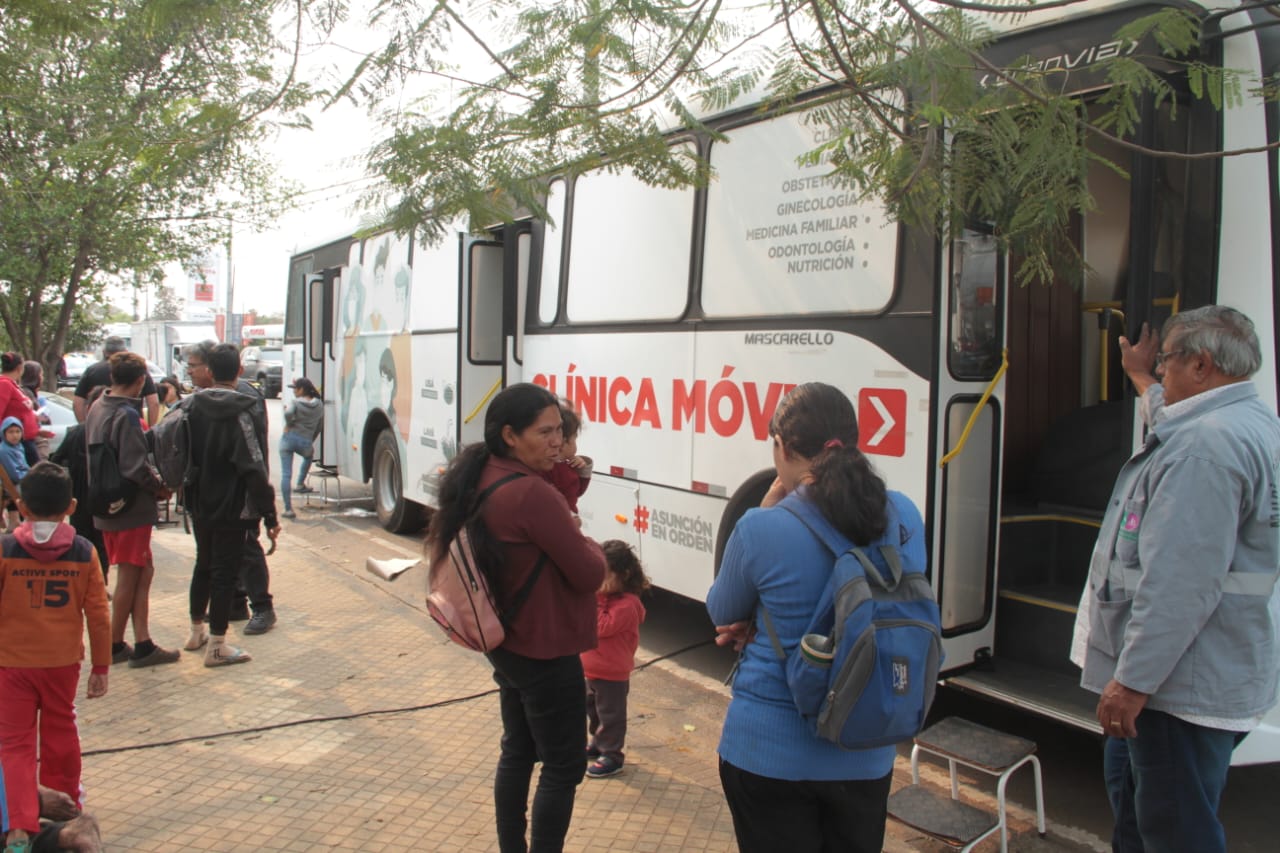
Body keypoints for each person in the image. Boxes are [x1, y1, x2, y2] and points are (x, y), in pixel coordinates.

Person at [1069, 305, 1280, 853]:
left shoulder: (1203, 449)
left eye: (1166, 361)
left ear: (1202, 365)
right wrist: (1139, 374)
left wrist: (1131, 683)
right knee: (1137, 810)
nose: (1161, 372)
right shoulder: (1249, 420)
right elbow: (1165, 408)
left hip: (1176, 686)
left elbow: (1179, 585)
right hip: (1214, 667)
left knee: (1175, 832)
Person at [706, 382, 921, 853]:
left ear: (782, 447)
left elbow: (721, 609)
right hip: (866, 748)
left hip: (768, 753)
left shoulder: (762, 526)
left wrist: (765, 509)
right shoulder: (904, 514)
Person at [426, 383, 605, 853]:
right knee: (564, 767)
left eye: (560, 431)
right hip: (545, 647)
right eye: (544, 432)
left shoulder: (485, 471)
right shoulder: (531, 493)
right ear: (509, 435)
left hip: (507, 643)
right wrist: (585, 539)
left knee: (519, 750)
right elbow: (590, 573)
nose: (557, 442)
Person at [0, 462, 110, 853]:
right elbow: (99, 615)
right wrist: (101, 666)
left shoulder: (5, 549)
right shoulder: (84, 551)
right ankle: (67, 811)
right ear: (72, 507)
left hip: (11, 663)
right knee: (61, 732)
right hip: (62, 664)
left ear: (21, 507)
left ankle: (17, 826)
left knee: (14, 744)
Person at [181, 343, 280, 665]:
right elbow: (253, 466)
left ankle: (196, 631)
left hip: (198, 501)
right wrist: (269, 514)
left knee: (203, 565)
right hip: (233, 505)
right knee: (224, 573)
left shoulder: (189, 406)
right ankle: (218, 646)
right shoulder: (242, 410)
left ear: (209, 371)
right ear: (239, 370)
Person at [83, 353, 179, 669]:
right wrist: (160, 487)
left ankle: (143, 641)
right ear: (140, 381)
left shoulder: (98, 407)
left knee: (142, 571)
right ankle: (112, 645)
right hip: (130, 508)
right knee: (129, 573)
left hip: (104, 503)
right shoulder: (125, 414)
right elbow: (135, 468)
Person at [581, 539, 648, 780]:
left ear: (624, 575)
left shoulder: (628, 605)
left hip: (612, 673)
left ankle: (612, 754)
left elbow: (600, 626)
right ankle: (598, 742)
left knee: (611, 715)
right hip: (590, 669)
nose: (598, 581)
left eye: (604, 575)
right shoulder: (602, 598)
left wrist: (591, 601)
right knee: (593, 710)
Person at [49, 389, 109, 585]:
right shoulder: (105, 433)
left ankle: (86, 583)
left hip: (82, 499)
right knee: (99, 543)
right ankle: (99, 583)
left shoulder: (77, 432)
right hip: (97, 499)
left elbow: (56, 463)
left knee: (85, 541)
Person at [73, 337, 159, 426]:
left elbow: (77, 403)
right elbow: (154, 402)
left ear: (104, 352)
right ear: (125, 351)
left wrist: (84, 426)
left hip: (98, 424)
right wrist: (151, 428)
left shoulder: (91, 371)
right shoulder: (136, 370)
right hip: (132, 424)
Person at [279, 377, 323, 519]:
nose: (294, 392)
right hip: (305, 441)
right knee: (308, 456)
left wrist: (289, 423)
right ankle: (300, 483)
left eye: (295, 389)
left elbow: (288, 414)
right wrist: (310, 439)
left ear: (302, 389)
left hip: (288, 438)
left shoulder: (296, 403)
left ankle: (288, 509)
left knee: (286, 474)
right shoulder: (319, 405)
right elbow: (319, 426)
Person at [542, 400, 592, 519]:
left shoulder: (562, 465)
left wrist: (581, 468)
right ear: (562, 443)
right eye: (574, 439)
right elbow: (577, 491)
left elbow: (576, 492)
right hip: (563, 520)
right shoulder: (555, 469)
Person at [0, 353, 44, 468]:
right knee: (37, 471)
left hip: (25, 439)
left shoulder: (13, 385)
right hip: (17, 440)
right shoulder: (4, 384)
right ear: (20, 368)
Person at [19, 362, 51, 463]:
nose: (42, 378)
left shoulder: (30, 392)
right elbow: (39, 415)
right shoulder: (26, 393)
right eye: (41, 375)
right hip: (29, 437)